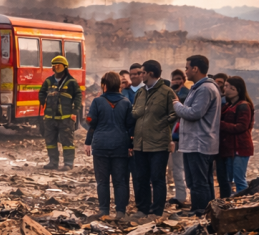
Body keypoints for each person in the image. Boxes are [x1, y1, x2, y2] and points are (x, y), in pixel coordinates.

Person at [174, 55, 222, 214]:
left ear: (195, 69)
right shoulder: (200, 88)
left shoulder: (205, 89)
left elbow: (194, 113)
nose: (186, 71)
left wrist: (176, 104)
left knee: (198, 182)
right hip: (196, 143)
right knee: (200, 181)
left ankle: (200, 211)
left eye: (187, 68)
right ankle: (205, 211)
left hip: (199, 143)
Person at [130, 60, 177, 220]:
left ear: (150, 73)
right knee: (141, 177)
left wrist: (162, 123)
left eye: (142, 72)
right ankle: (143, 208)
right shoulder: (141, 93)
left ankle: (156, 211)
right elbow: (134, 111)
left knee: (157, 178)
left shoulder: (166, 92)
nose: (139, 75)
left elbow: (175, 113)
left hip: (158, 143)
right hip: (140, 143)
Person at [84, 72, 134, 220]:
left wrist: (88, 142)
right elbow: (130, 126)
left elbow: (91, 123)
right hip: (120, 145)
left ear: (104, 85)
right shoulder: (126, 102)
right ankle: (120, 212)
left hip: (101, 145)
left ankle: (104, 211)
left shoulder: (97, 102)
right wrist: (130, 145)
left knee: (102, 181)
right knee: (120, 181)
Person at [39, 55, 82, 170]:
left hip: (66, 117)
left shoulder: (71, 82)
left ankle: (68, 163)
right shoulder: (49, 81)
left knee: (67, 141)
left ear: (65, 67)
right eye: (54, 66)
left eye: (59, 66)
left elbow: (78, 96)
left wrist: (74, 111)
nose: (56, 68)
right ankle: (53, 162)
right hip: (50, 117)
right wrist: (42, 100)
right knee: (50, 140)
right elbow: (41, 92)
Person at [217, 76, 255, 196]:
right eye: (226, 86)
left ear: (237, 90)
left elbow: (241, 127)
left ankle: (244, 204)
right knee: (230, 179)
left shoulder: (243, 106)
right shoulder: (228, 106)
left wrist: (221, 124)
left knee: (239, 179)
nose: (225, 89)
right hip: (230, 149)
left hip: (240, 148)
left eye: (229, 87)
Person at [168, 69, 190, 207]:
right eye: (174, 79)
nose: (176, 81)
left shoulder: (188, 94)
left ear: (183, 79)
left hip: (179, 135)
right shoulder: (168, 92)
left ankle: (181, 196)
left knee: (178, 167)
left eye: (178, 79)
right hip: (167, 134)